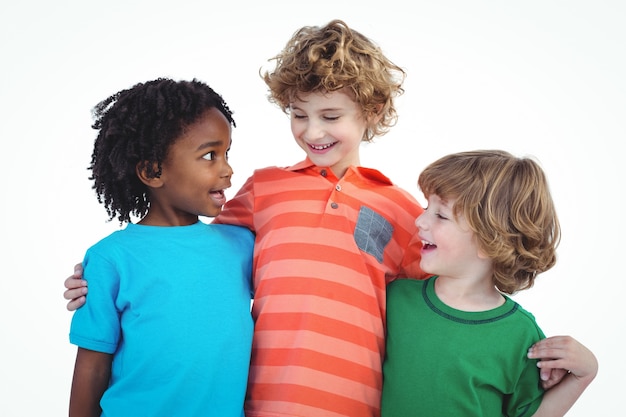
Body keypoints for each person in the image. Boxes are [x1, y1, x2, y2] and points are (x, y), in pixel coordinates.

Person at [63, 22, 569, 417]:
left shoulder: (401, 211)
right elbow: (198, 255)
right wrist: (101, 281)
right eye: (299, 114)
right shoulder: (265, 188)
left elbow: (452, 289)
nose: (311, 130)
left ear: (370, 113)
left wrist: (515, 345)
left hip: (356, 405)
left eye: (330, 116)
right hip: (256, 403)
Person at [68, 78, 254, 417]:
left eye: (227, 153)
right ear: (153, 171)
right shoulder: (110, 259)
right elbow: (92, 366)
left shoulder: (242, 246)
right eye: (210, 155)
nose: (227, 169)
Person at [380, 150, 598, 416]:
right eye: (428, 207)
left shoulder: (519, 334)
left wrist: (583, 376)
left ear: (489, 241)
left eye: (441, 215)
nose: (419, 220)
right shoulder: (394, 298)